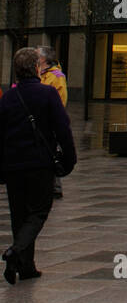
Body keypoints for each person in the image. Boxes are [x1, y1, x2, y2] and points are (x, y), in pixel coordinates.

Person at [0, 48, 77, 283]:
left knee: (19, 215)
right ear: (36, 69)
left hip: (13, 166)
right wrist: (68, 160)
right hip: (40, 165)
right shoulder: (47, 94)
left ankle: (26, 266)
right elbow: (63, 129)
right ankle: (16, 251)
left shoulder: (8, 98)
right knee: (38, 212)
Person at [37, 47, 68, 200]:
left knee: (50, 151)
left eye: (37, 54)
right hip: (36, 120)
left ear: (44, 59)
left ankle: (55, 186)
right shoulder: (38, 73)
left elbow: (60, 101)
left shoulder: (56, 76)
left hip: (48, 121)